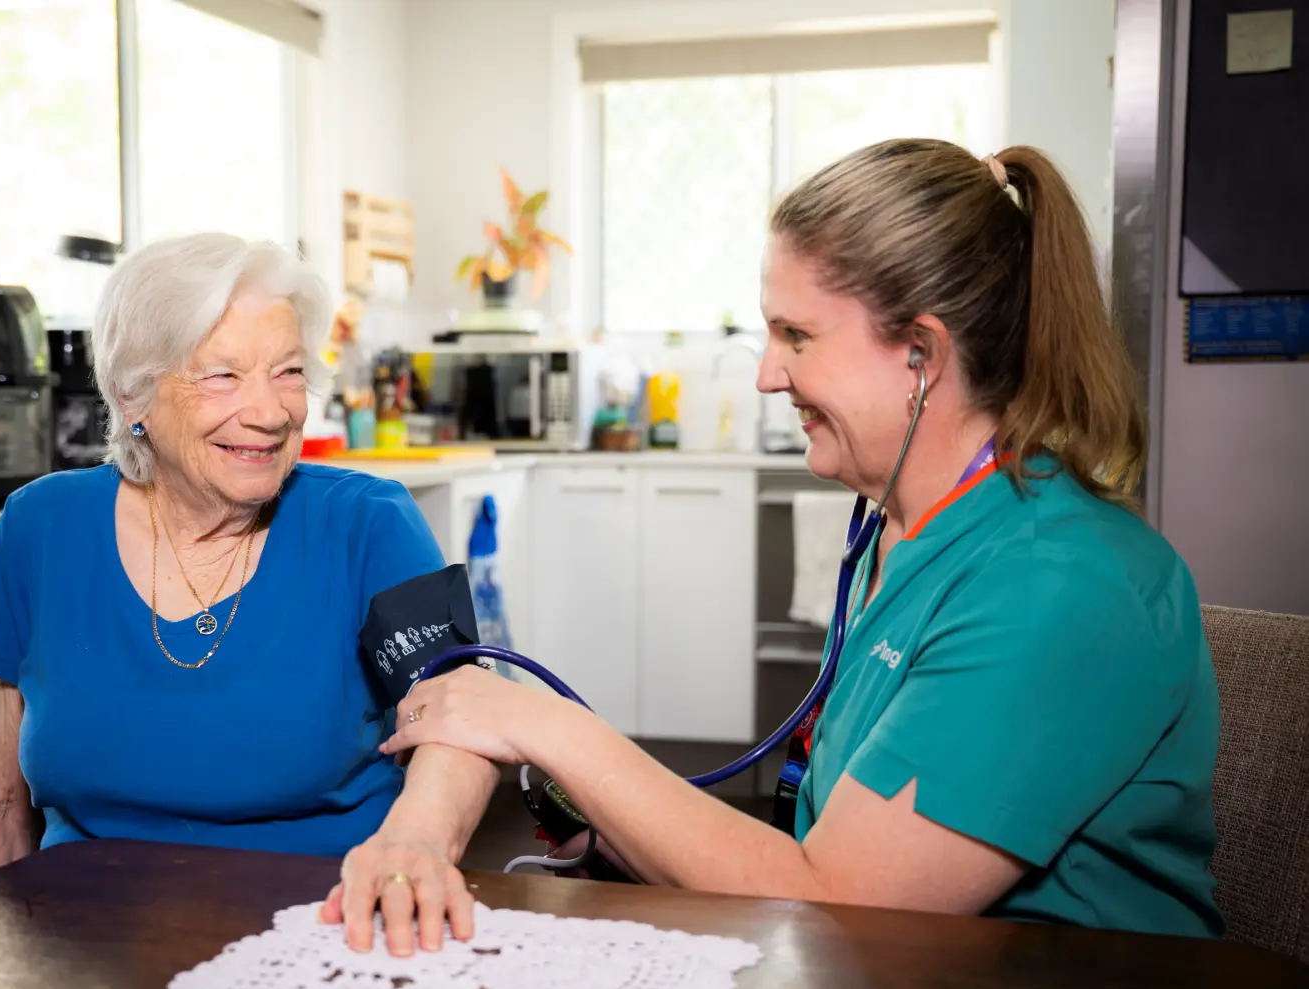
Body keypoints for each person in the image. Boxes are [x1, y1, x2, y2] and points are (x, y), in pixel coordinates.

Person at [371, 140, 1224, 938]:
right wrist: (622, 836)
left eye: (798, 336)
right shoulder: (906, 534)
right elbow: (835, 850)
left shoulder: (1061, 585)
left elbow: (847, 907)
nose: (768, 373)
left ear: (921, 354)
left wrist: (547, 726)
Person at [0, 233, 497, 956]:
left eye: (288, 371)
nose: (270, 412)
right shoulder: (39, 529)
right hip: (83, 952)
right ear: (132, 394)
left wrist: (417, 841)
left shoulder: (371, 524)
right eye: (223, 376)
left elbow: (463, 724)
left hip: (327, 934)